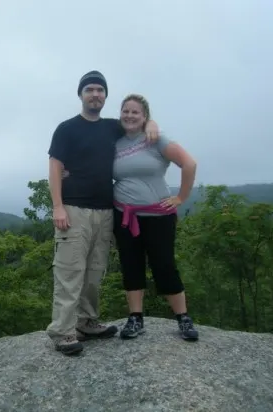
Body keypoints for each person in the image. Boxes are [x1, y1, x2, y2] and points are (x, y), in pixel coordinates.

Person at [45, 71, 160, 355]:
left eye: (100, 90)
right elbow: (55, 167)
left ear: (105, 96)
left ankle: (86, 321)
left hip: (105, 211)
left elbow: (137, 121)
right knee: (70, 272)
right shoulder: (66, 129)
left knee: (95, 272)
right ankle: (62, 331)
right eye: (90, 90)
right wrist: (58, 206)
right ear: (81, 94)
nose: (95, 94)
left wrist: (153, 121)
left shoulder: (112, 127)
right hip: (73, 209)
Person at [112, 93, 199, 341]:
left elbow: (189, 163)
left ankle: (182, 318)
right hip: (125, 215)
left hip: (158, 216)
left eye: (135, 112)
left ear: (145, 116)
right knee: (131, 265)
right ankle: (135, 318)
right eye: (125, 111)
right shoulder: (115, 142)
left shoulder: (155, 139)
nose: (129, 115)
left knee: (164, 265)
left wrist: (181, 197)